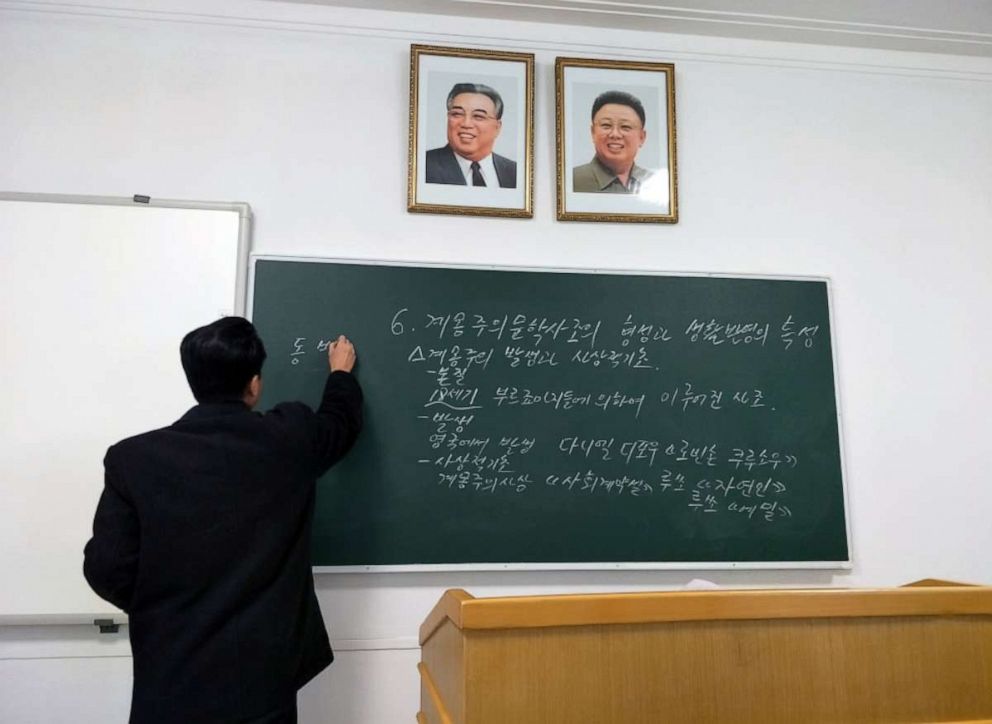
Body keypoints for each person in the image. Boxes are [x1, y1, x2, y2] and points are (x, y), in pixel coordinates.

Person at [83, 317, 363, 724]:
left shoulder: (133, 459)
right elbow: (341, 425)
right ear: (254, 384)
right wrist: (340, 375)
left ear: (193, 383)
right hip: (264, 686)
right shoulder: (291, 439)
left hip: (169, 684)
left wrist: (164, 605)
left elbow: (105, 569)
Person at [425, 82, 517, 188]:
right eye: (457, 114)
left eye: (478, 116)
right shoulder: (423, 166)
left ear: (497, 127)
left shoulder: (515, 172)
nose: (466, 124)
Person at [572, 90, 653, 194]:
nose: (615, 134)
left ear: (642, 137)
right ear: (593, 132)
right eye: (606, 125)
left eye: (625, 127)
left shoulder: (656, 184)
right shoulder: (572, 180)